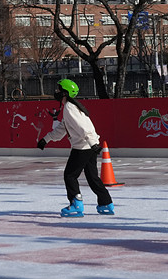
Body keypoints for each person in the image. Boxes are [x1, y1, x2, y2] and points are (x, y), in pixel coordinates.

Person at [37, 78, 114, 217]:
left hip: (83, 147)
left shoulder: (69, 108)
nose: (56, 91)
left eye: (58, 89)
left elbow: (83, 127)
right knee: (92, 177)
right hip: (87, 145)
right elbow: (62, 128)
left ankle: (76, 204)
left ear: (65, 93)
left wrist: (93, 143)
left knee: (70, 175)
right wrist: (46, 139)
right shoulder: (71, 107)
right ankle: (106, 203)